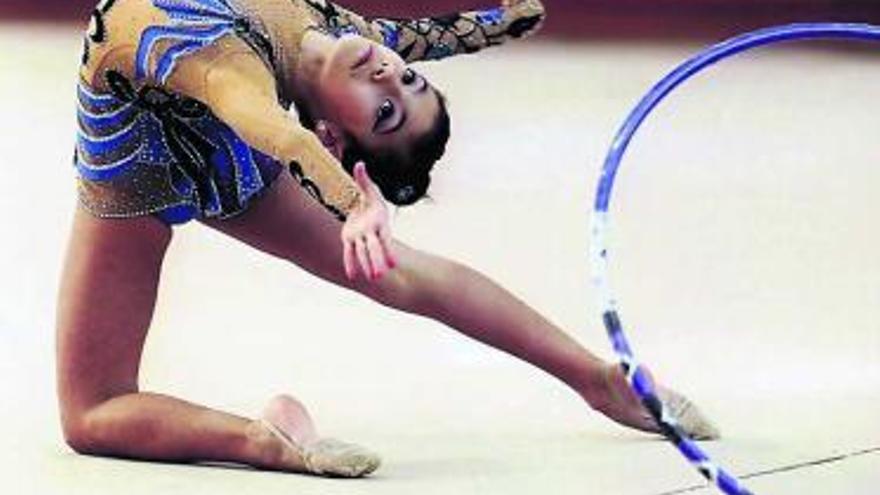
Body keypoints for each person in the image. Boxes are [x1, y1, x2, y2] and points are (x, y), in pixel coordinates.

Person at [58, 0, 718, 479]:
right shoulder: (341, 31)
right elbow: (423, 36)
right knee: (392, 269)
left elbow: (278, 134)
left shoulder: (230, 74)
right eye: (408, 81)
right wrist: (503, 21)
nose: (388, 74)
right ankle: (597, 380)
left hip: (148, 171)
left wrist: (352, 206)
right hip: (182, 153)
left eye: (386, 112)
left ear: (335, 141)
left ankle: (266, 440)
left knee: (93, 410)